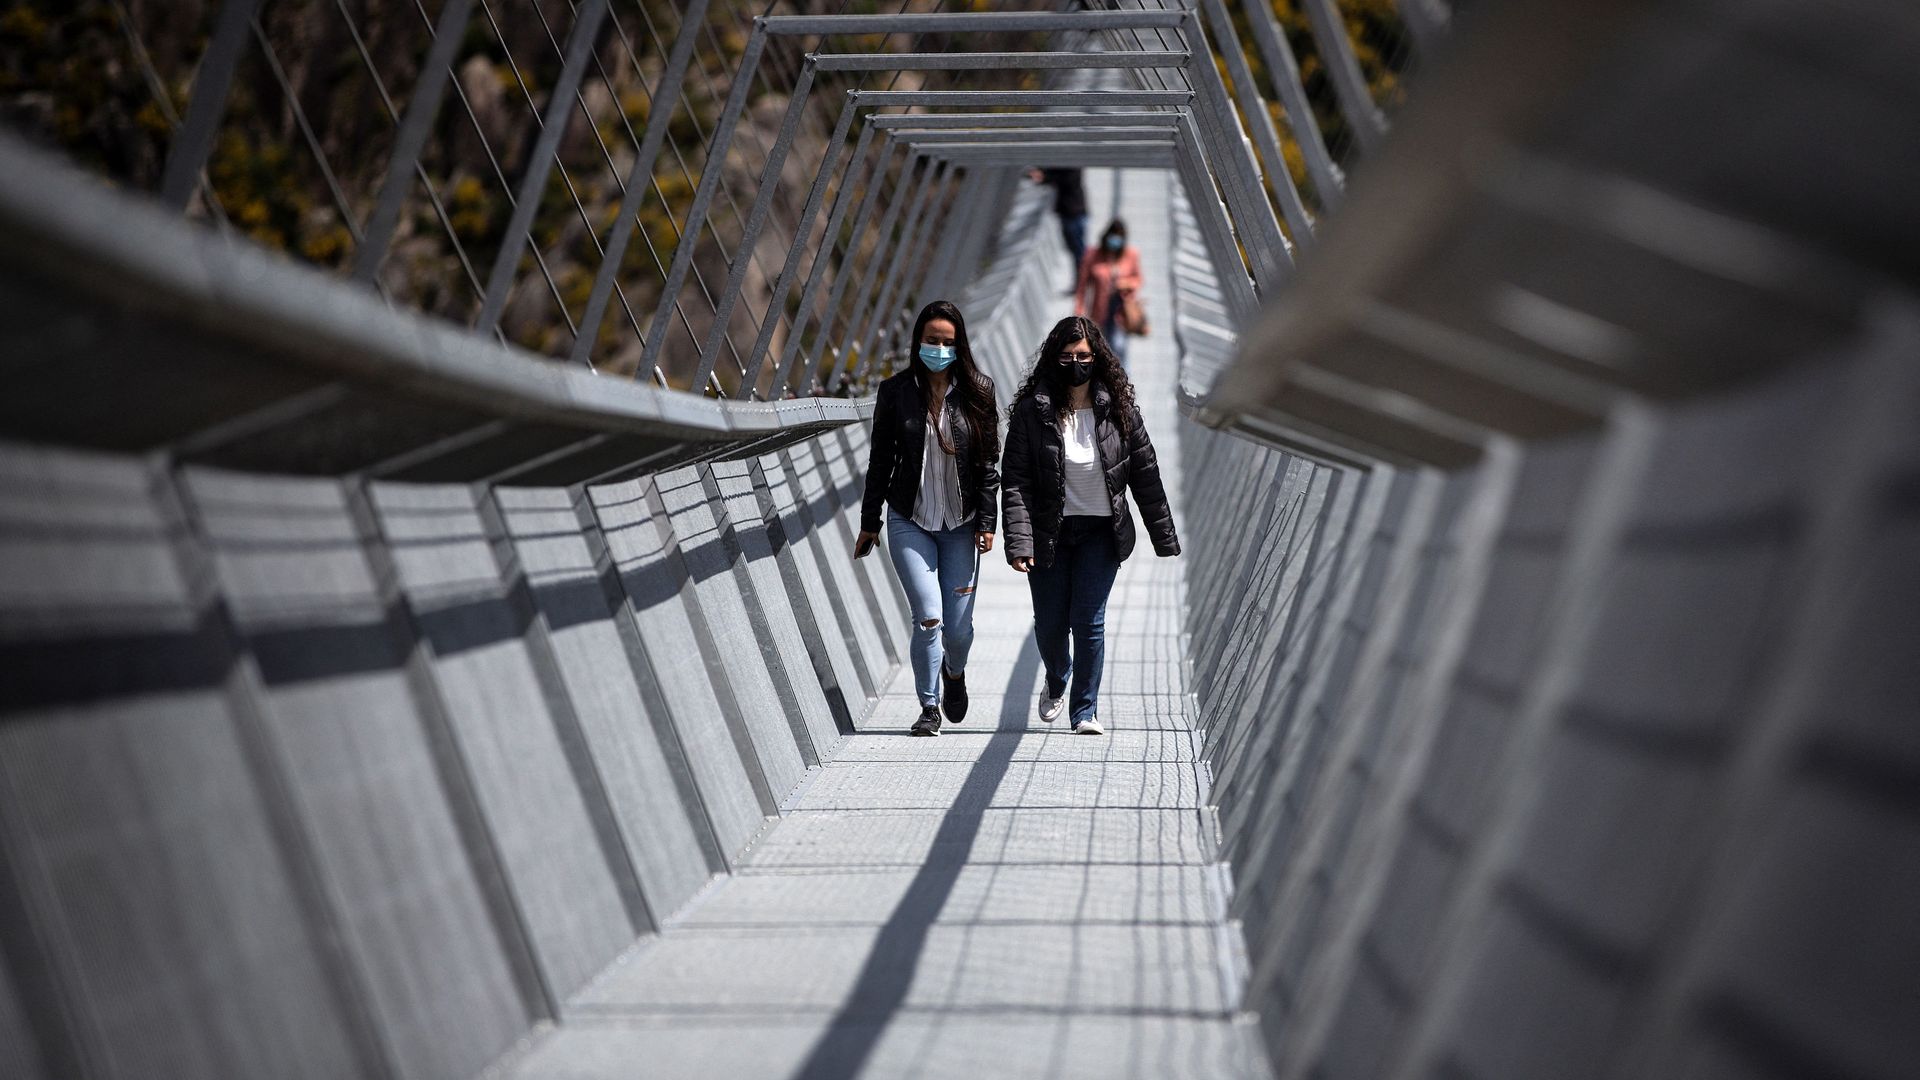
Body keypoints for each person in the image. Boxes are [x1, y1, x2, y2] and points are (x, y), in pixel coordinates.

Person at [1001, 316, 1179, 736]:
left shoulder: (1119, 412)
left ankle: (1084, 710)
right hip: (1050, 533)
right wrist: (1019, 541)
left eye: (1083, 356)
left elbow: (1146, 475)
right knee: (1049, 624)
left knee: (1088, 619)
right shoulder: (1033, 412)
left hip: (1101, 533)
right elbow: (1016, 482)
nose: (1076, 363)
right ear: (1053, 359)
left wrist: (1164, 536)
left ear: (1097, 358)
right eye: (1066, 357)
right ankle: (1057, 676)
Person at [855, 300, 1001, 737]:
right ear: (918, 341)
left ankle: (954, 674)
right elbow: (880, 460)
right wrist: (870, 522)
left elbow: (989, 464)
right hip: (909, 520)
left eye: (947, 342)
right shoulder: (896, 392)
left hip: (962, 524)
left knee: (957, 631)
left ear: (959, 347)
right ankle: (929, 706)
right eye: (931, 340)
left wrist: (988, 522)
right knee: (928, 617)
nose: (939, 348)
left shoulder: (978, 391)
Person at [1074, 218, 1144, 368]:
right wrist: (1079, 310)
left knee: (1118, 346)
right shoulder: (1093, 255)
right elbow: (1082, 286)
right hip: (1100, 311)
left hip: (1121, 311)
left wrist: (1125, 283)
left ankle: (1122, 382)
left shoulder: (1130, 254)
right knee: (1099, 347)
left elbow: (1138, 279)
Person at [1029, 167, 1088, 294]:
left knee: (1079, 253)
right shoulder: (1068, 165)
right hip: (1070, 212)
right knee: (1075, 251)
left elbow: (1064, 178)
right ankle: (1080, 284)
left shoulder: (1072, 166)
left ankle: (1082, 284)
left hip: (1073, 213)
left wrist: (1044, 177)